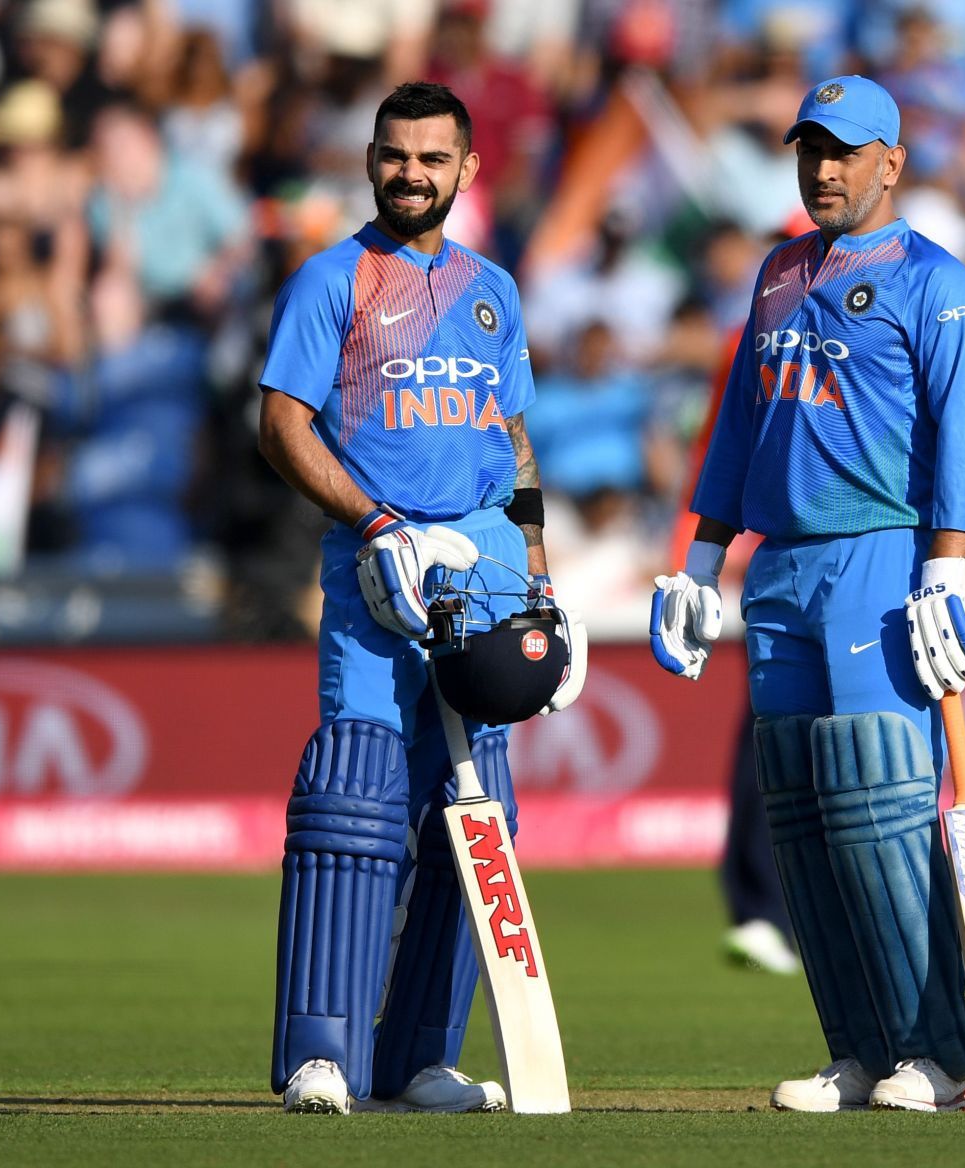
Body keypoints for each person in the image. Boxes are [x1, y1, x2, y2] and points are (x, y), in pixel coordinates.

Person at [650, 76, 965, 1114]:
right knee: (800, 814)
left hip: (878, 557)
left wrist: (945, 568)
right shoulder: (777, 273)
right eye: (812, 150)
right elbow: (739, 435)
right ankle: (856, 1047)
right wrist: (699, 562)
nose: (825, 169)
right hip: (781, 570)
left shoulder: (941, 284)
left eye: (846, 152)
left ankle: (938, 1053)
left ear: (892, 160)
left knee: (881, 811)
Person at [254, 82, 583, 1116]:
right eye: (396, 155)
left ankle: (420, 1057)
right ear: (370, 159)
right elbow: (282, 426)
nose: (412, 174)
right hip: (380, 572)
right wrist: (376, 523)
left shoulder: (493, 289)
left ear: (467, 170)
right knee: (355, 801)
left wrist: (538, 579)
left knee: (475, 808)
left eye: (433, 158)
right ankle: (323, 1053)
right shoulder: (332, 279)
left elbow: (516, 443)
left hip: (485, 571)